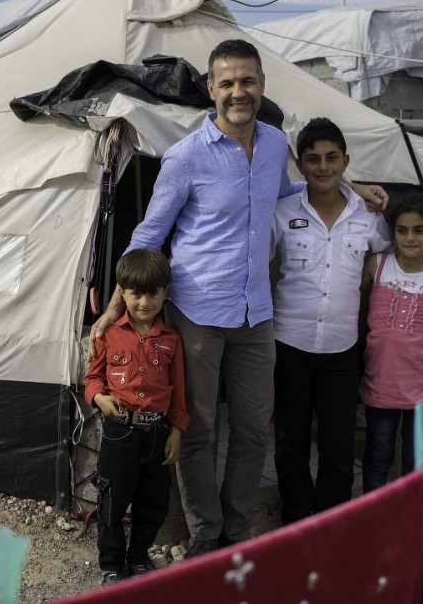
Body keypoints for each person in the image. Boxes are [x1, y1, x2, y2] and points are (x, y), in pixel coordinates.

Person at [89, 39, 391, 555]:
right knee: (198, 430)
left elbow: (282, 193)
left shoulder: (275, 144)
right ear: (211, 89)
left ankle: (237, 527)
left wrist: (350, 185)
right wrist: (118, 304)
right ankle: (206, 534)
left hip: (257, 314)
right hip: (198, 313)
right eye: (226, 83)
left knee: (254, 429)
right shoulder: (184, 158)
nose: (237, 92)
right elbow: (149, 233)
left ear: (262, 86)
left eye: (247, 81)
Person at [269, 117, 396, 524]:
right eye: (313, 159)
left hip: (342, 348)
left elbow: (393, 255)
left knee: (338, 443)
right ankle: (295, 518)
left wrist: (369, 273)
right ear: (300, 166)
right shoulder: (282, 212)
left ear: (346, 161)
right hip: (290, 343)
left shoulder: (368, 216)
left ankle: (330, 522)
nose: (322, 167)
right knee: (290, 440)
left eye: (330, 158)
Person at [84, 248, 188, 585]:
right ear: (122, 292)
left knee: (154, 502)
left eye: (153, 293)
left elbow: (179, 390)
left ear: (165, 292)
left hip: (157, 434)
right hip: (119, 433)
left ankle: (139, 555)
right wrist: (98, 397)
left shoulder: (172, 340)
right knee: (112, 500)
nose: (144, 302)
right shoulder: (108, 334)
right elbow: (92, 378)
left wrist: (176, 431)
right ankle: (111, 563)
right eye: (136, 294)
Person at [359, 192, 423, 492]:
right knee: (378, 453)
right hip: (381, 383)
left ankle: (410, 523)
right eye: (402, 231)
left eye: (419, 230)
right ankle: (374, 515)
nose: (410, 238)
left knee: (416, 461)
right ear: (393, 233)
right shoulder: (376, 265)